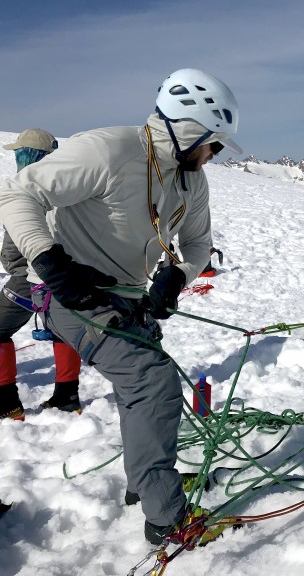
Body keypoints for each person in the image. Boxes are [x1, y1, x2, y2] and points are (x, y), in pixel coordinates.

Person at [0, 68, 241, 544]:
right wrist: (48, 261)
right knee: (152, 382)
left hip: (127, 296)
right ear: (191, 129)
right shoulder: (111, 149)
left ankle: (149, 487)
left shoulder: (192, 181)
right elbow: (17, 192)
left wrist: (177, 276)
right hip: (71, 292)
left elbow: (196, 244)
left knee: (144, 387)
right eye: (213, 143)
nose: (214, 155)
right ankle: (166, 517)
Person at [0, 129, 84, 421]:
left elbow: (14, 249)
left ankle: (6, 403)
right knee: (63, 331)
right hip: (68, 276)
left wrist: (16, 273)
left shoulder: (24, 189)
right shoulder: (72, 189)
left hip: (30, 278)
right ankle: (67, 395)